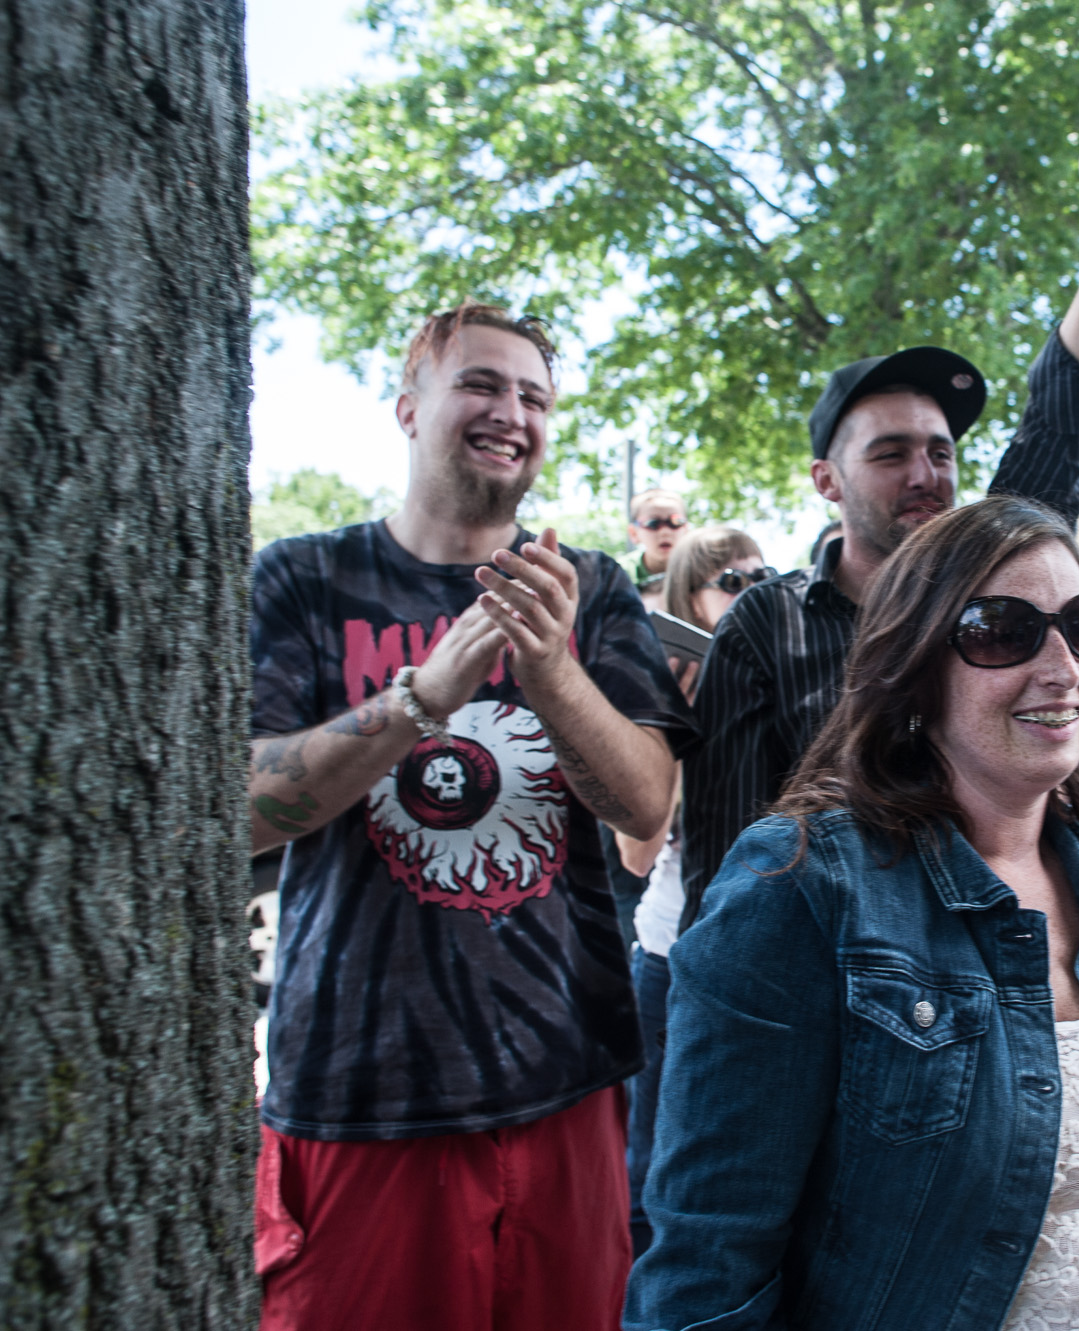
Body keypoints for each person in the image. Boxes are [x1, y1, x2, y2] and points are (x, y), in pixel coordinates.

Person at [625, 497, 1079, 1329]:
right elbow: (707, 1261)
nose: (1063, 666)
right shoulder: (799, 886)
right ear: (913, 666)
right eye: (1003, 631)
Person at [247, 302, 678, 1329]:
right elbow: (243, 811)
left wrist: (551, 669)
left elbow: (643, 803)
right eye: (481, 383)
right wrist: (420, 697)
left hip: (567, 1084)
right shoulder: (304, 578)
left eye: (534, 396)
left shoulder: (590, 587)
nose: (511, 412)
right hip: (359, 1099)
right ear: (409, 408)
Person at [667, 136, 1079, 928]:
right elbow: (725, 851)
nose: (925, 473)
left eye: (940, 451)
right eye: (890, 453)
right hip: (836, 965)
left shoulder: (997, 584)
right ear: (826, 480)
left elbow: (1062, 427)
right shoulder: (769, 623)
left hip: (1003, 956)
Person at [611, 525, 767, 1254]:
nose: (751, 593)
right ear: (689, 602)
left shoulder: (783, 679)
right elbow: (636, 854)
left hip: (767, 954)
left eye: (762, 578)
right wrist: (668, 728)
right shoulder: (662, 693)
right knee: (650, 1163)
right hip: (670, 954)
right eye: (732, 583)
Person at [616, 488, 691, 605]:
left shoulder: (704, 572)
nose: (665, 531)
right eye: (653, 523)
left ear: (686, 529)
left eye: (676, 522)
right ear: (634, 533)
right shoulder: (619, 575)